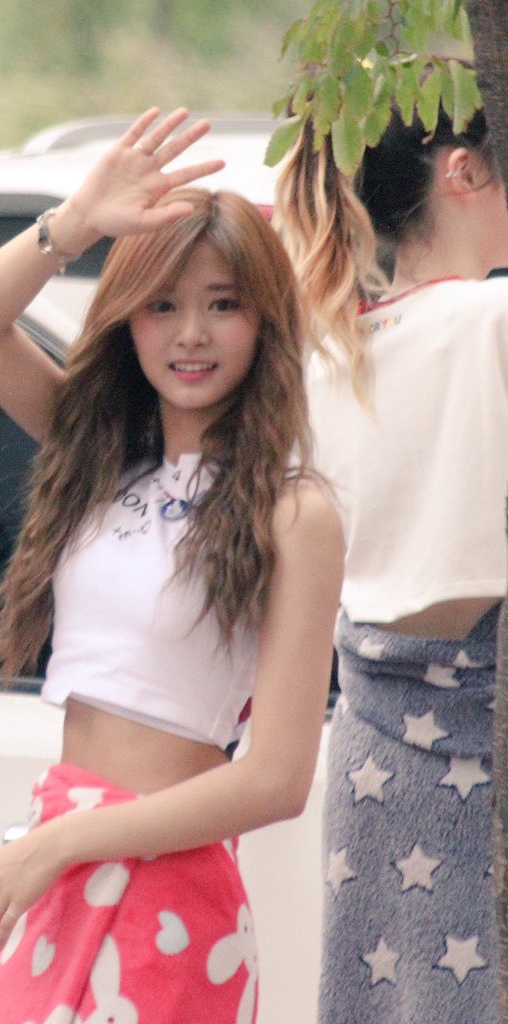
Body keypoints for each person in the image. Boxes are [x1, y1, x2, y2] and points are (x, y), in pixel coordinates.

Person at [0, 107, 343, 1024]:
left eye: (223, 304)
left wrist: (63, 844)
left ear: (263, 322)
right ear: (127, 321)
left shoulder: (295, 514)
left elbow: (275, 780)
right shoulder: (101, 458)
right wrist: (76, 222)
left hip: (167, 895)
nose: (190, 333)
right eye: (162, 305)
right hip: (59, 859)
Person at [273, 90, 508, 1024]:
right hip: (480, 729)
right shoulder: (490, 320)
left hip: (372, 752)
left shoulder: (329, 349)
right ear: (464, 171)